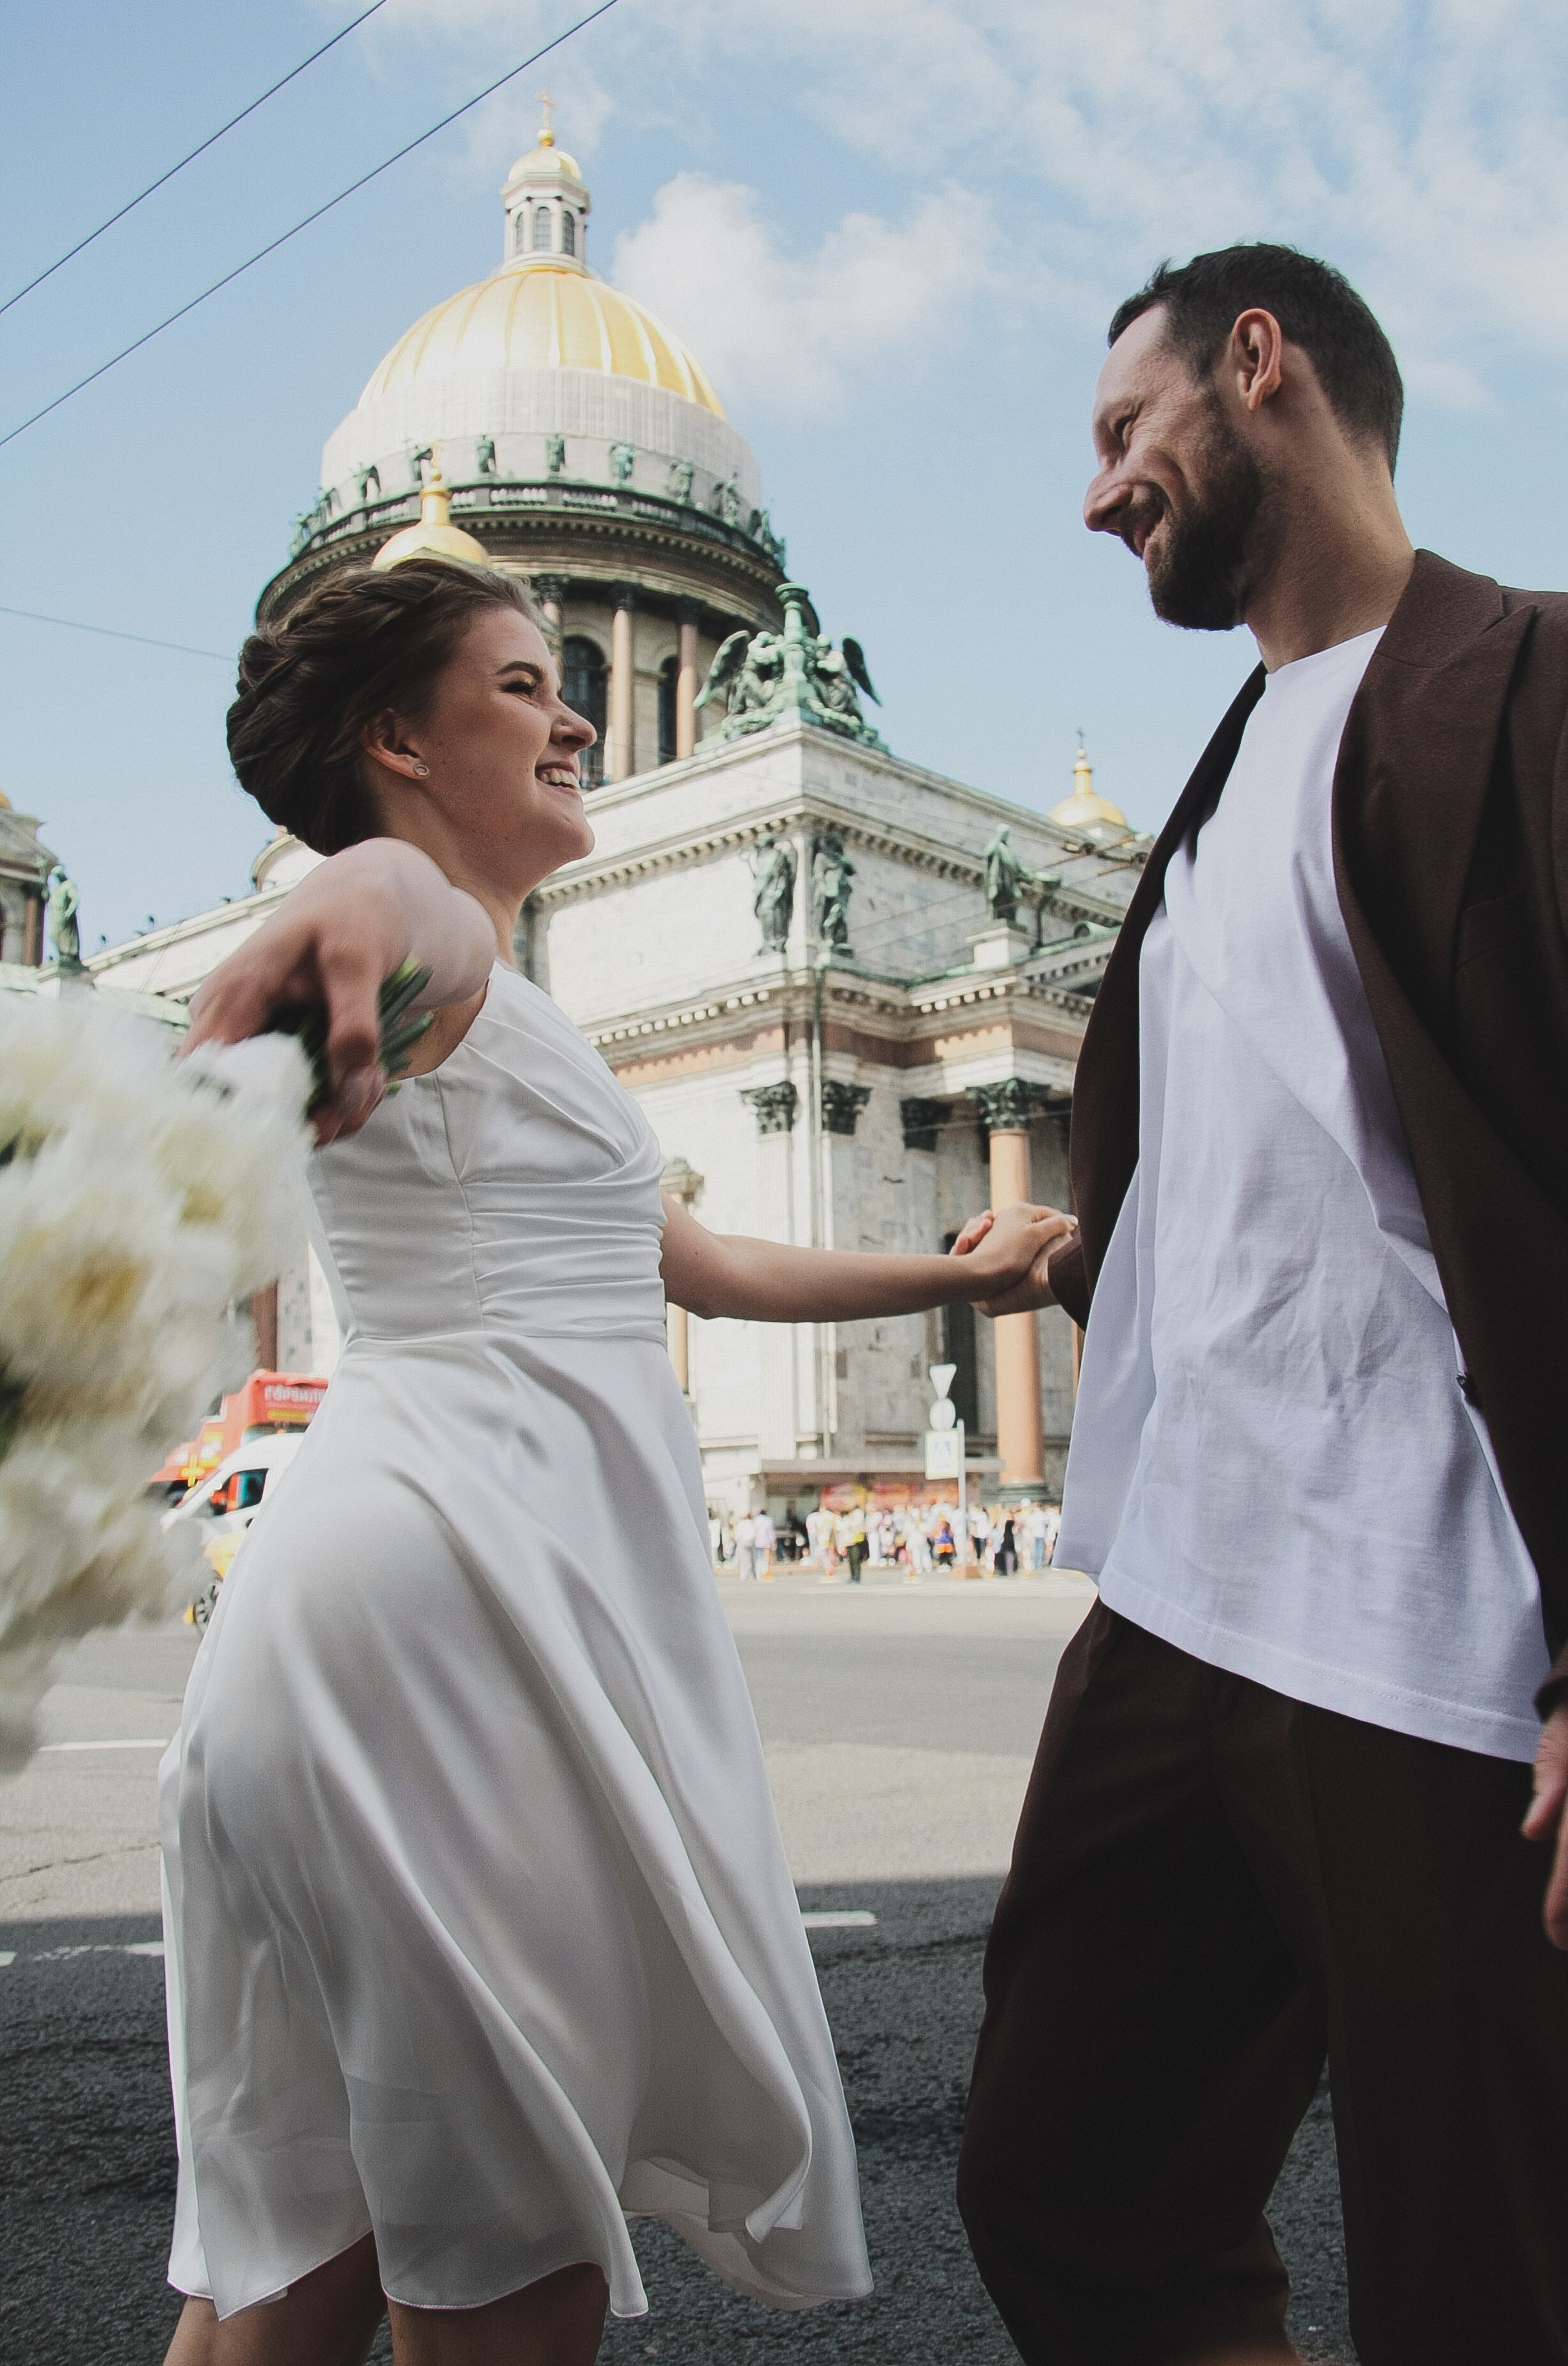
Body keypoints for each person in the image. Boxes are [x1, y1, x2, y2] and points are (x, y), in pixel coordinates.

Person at [161, 556, 1071, 2366]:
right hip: (464, 1622)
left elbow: (697, 1268)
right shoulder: (430, 920)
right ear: (395, 741)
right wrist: (346, 891)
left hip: (369, 1603)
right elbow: (384, 894)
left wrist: (972, 1266)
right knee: (507, 2251)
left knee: (305, 2262)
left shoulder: (518, 1004)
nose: (578, 710)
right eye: (524, 682)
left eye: (568, 673)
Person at [955, 245, 1568, 2366]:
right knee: (1063, 2189)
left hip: (1446, 1650)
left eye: (1117, 433)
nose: (1094, 499)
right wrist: (1090, 1251)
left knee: (1488, 2298)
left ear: (1257, 365)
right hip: (1174, 1614)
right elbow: (1292, 1170)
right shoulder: (1217, 784)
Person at [752, 1506, 777, 1580]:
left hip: (757, 1542)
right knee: (766, 1559)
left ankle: (758, 1573)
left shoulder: (755, 1520)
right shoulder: (768, 1520)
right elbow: (771, 1533)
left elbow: (753, 1531)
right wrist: (773, 1542)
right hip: (766, 1542)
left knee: (758, 1558)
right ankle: (765, 1573)